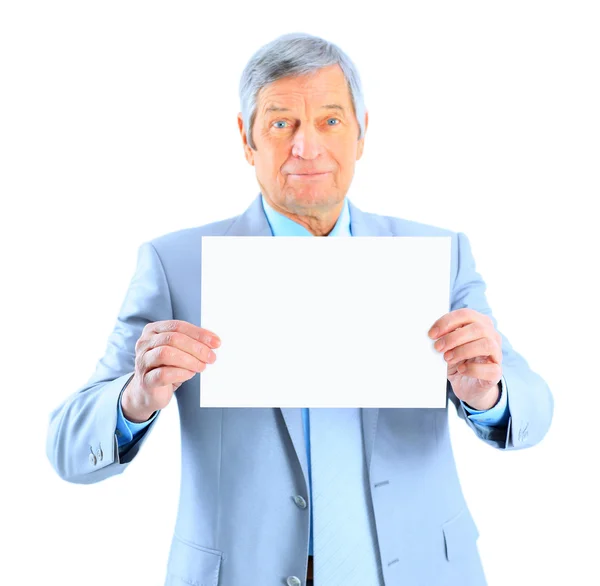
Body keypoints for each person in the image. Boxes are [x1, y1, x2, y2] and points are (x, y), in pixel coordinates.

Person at [46, 32, 554, 586]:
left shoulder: (437, 256)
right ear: (246, 138)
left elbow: (533, 407)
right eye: (281, 123)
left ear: (362, 133)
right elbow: (68, 448)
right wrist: (135, 400)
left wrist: (489, 395)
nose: (307, 147)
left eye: (330, 122)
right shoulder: (177, 265)